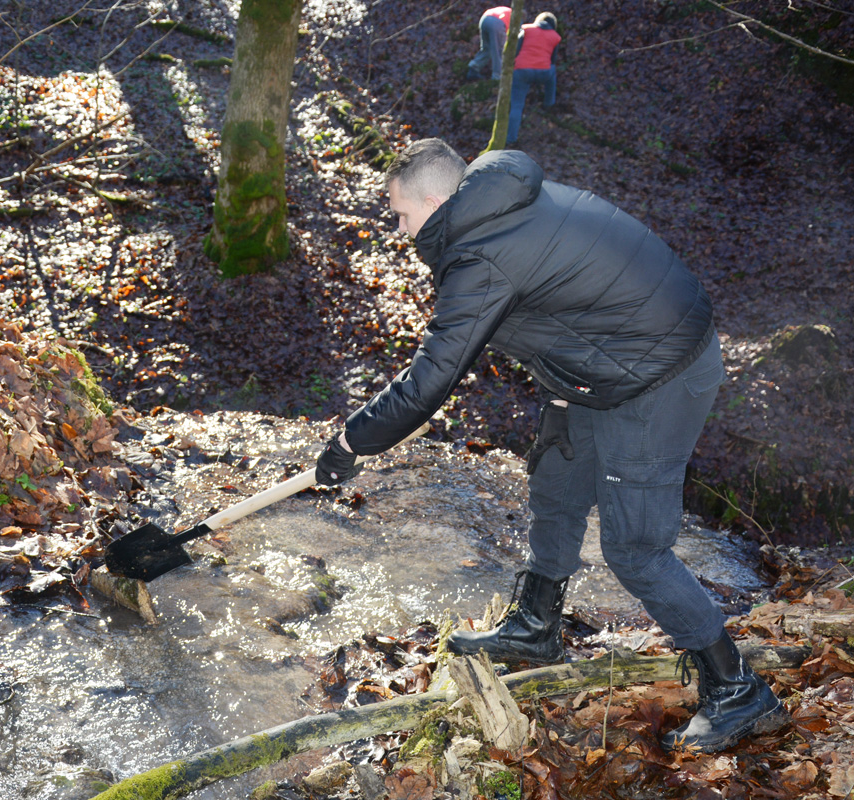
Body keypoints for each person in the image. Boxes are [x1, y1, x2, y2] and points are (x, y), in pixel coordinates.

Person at [313, 138, 787, 754]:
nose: (400, 231)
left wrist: (352, 440)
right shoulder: (498, 206)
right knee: (557, 478)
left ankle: (738, 688)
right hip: (610, 364)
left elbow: (432, 379)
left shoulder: (482, 254)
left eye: (402, 215)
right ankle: (537, 625)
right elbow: (570, 308)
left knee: (636, 547)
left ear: (435, 201)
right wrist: (562, 397)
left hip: (660, 375)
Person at [506, 11, 561, 147]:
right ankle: (549, 103)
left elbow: (516, 51)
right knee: (552, 70)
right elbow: (553, 60)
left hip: (522, 71)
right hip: (543, 72)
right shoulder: (555, 37)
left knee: (517, 105)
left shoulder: (526, 29)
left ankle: (511, 138)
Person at [467, 6, 513, 81]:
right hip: (497, 23)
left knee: (486, 48)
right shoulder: (516, 17)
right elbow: (512, 36)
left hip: (484, 19)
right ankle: (497, 77)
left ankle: (474, 68)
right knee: (498, 51)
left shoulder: (507, 10)